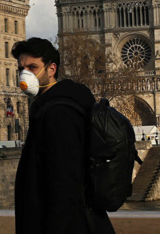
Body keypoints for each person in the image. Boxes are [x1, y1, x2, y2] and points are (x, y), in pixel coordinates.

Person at [12, 37, 114, 234]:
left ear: (51, 69)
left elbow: (64, 182)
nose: (25, 75)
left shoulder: (58, 112)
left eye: (33, 67)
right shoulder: (55, 106)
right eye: (21, 69)